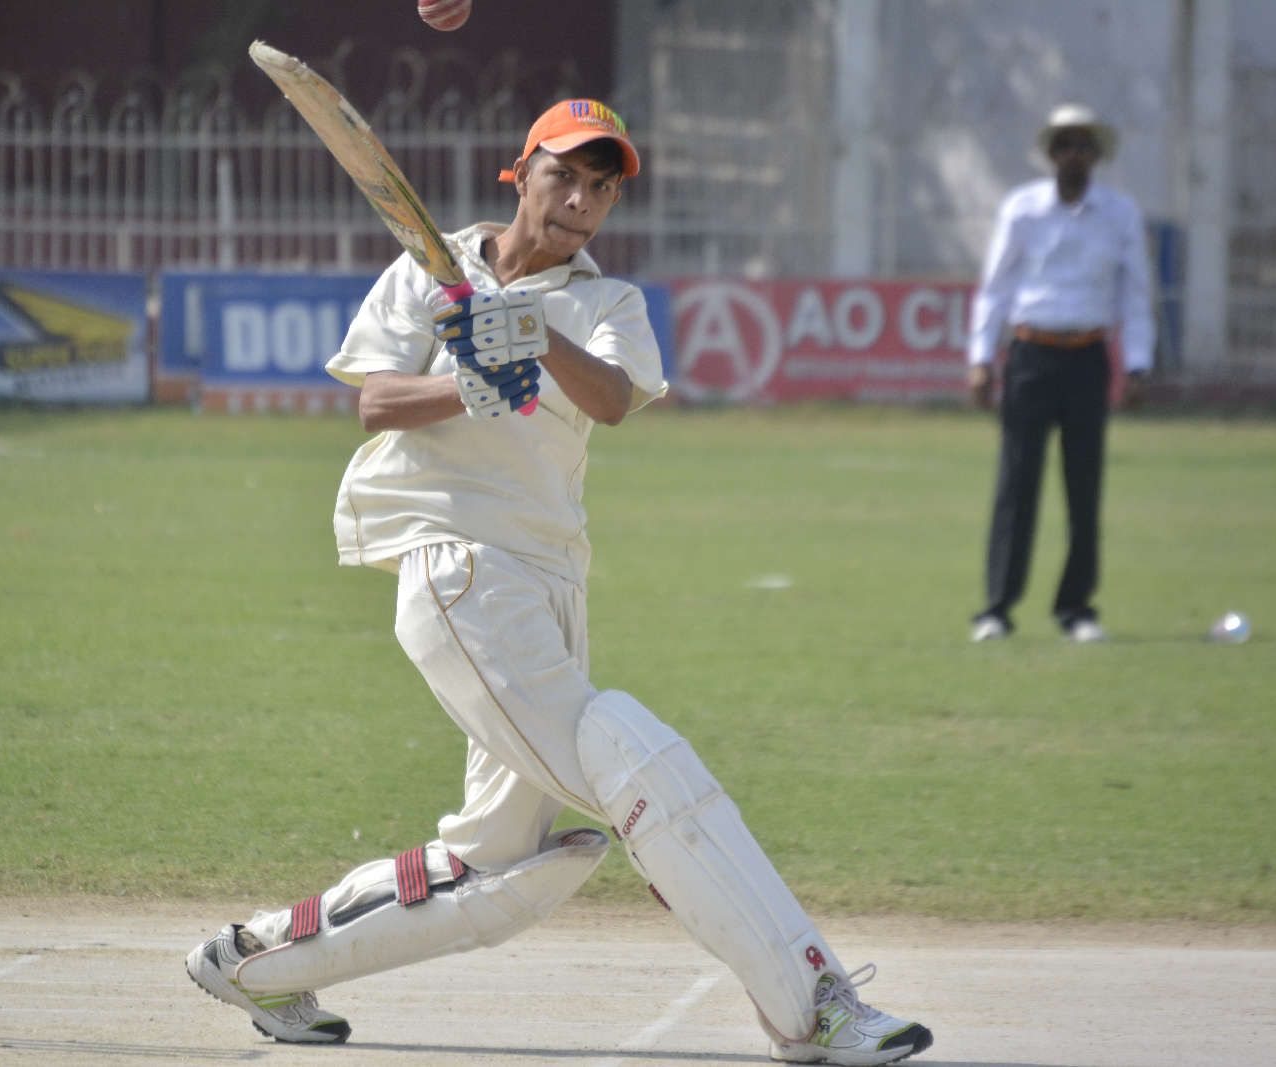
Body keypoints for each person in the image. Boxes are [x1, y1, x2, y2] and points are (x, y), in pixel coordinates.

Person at [185, 98, 934, 1065]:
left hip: (548, 582)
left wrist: (532, 332)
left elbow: (612, 399)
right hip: (458, 566)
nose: (581, 200)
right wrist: (466, 383)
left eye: (602, 188)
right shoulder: (429, 268)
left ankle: (253, 961)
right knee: (640, 770)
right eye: (565, 176)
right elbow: (375, 400)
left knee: (494, 868)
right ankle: (813, 1003)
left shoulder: (607, 303)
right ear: (522, 170)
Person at [966, 103, 1154, 644]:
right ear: (1050, 154)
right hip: (1031, 353)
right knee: (1016, 483)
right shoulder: (1022, 208)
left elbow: (1135, 293)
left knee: (1084, 484)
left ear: (1096, 155)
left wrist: (1137, 363)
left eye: (1083, 145)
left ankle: (1077, 609)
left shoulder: (1119, 213)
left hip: (1088, 356)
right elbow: (996, 287)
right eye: (1065, 145)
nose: (1074, 154)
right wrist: (981, 358)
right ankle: (997, 608)